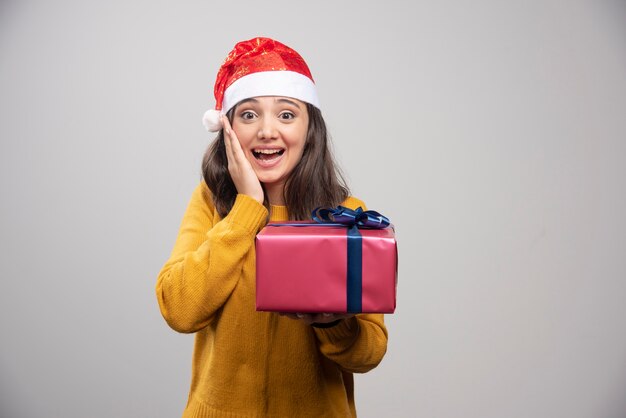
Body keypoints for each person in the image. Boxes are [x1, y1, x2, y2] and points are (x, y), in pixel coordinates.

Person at [156, 37, 388, 418]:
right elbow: (179, 309)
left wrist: (332, 323)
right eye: (248, 115)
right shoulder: (210, 202)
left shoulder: (347, 214)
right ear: (227, 128)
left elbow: (368, 354)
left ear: (310, 128)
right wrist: (247, 209)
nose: (266, 131)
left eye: (286, 114)